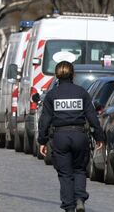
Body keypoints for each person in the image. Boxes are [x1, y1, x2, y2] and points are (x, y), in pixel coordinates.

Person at [38, 61, 105, 212]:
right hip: (80, 135)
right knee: (80, 169)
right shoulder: (81, 93)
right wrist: (99, 137)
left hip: (60, 137)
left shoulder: (52, 95)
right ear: (73, 75)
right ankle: (80, 199)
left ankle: (69, 207)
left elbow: (45, 120)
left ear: (56, 76)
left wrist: (42, 141)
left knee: (65, 174)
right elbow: (92, 117)